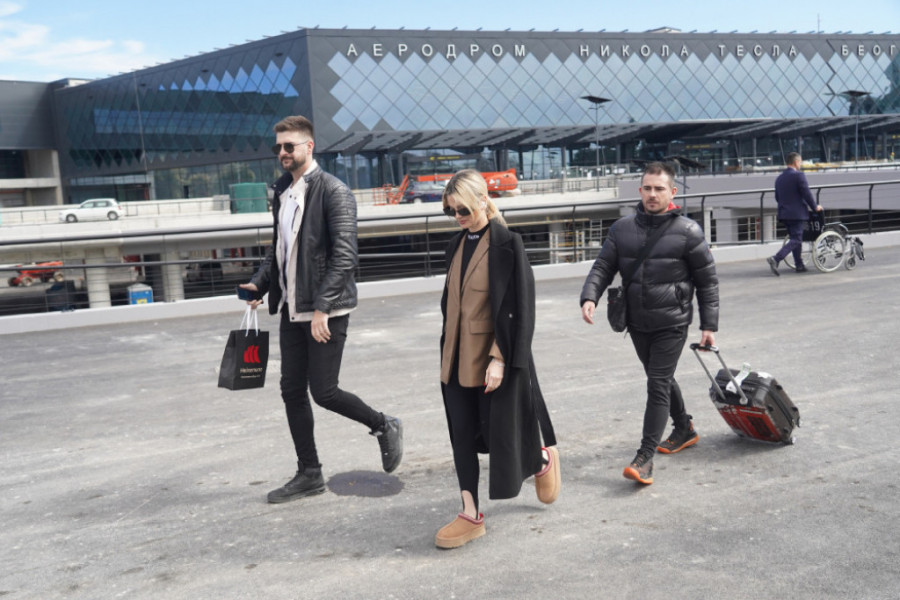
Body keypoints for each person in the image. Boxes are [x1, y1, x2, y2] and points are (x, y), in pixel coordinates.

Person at [239, 115, 402, 504]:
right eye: (278, 147)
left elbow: (345, 256)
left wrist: (322, 308)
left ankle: (384, 424)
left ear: (309, 146)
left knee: (324, 391)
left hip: (325, 311)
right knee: (291, 390)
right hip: (291, 309)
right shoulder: (282, 192)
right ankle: (309, 473)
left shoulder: (334, 192)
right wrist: (259, 284)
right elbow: (279, 251)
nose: (282, 152)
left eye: (289, 146)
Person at [435, 169, 560, 549]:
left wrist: (500, 358)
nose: (458, 217)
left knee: (500, 434)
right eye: (451, 211)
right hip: (453, 358)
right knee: (461, 434)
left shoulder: (508, 244)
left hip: (490, 358)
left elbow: (521, 308)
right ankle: (470, 514)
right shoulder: (455, 245)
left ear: (482, 200)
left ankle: (540, 461)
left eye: (463, 209)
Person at [580, 162, 719, 485]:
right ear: (640, 190)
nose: (653, 194)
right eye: (647, 188)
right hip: (637, 321)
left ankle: (644, 458)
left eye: (659, 188)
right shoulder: (622, 229)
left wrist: (708, 326)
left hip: (672, 322)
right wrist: (590, 296)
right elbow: (603, 266)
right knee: (661, 379)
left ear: (672, 192)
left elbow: (707, 282)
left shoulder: (688, 231)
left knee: (657, 383)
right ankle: (684, 427)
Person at [767, 152, 824, 275]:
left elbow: (777, 197)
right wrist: (815, 207)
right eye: (800, 162)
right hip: (796, 214)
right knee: (797, 239)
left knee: (795, 238)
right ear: (796, 162)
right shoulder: (799, 176)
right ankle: (776, 258)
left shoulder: (779, 178)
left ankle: (799, 265)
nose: (801, 164)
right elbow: (807, 194)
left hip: (784, 213)